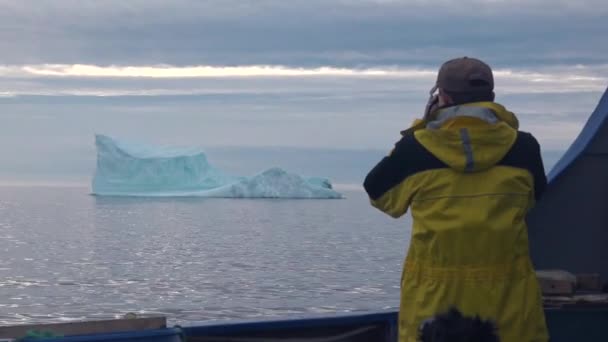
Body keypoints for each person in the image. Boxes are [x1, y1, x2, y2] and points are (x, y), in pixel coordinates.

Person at [363, 57, 549, 342]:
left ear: (442, 96)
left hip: (433, 310)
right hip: (509, 308)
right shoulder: (524, 148)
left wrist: (418, 128)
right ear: (492, 98)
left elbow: (378, 194)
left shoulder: (415, 149)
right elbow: (534, 198)